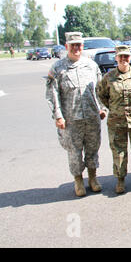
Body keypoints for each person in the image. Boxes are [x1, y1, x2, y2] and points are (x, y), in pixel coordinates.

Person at [46, 32, 106, 197]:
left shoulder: (91, 65)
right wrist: (58, 116)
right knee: (74, 151)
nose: (76, 48)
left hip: (92, 117)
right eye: (73, 45)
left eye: (79, 45)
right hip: (71, 120)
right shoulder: (58, 68)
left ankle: (93, 178)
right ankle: (78, 179)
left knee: (93, 148)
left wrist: (103, 108)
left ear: (82, 46)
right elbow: (53, 94)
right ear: (67, 47)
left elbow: (100, 90)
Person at [96, 45, 131, 194]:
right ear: (116, 58)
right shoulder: (108, 77)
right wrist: (113, 109)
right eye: (120, 56)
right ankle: (120, 180)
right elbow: (102, 95)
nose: (123, 59)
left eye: (126, 56)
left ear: (130, 57)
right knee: (118, 151)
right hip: (116, 120)